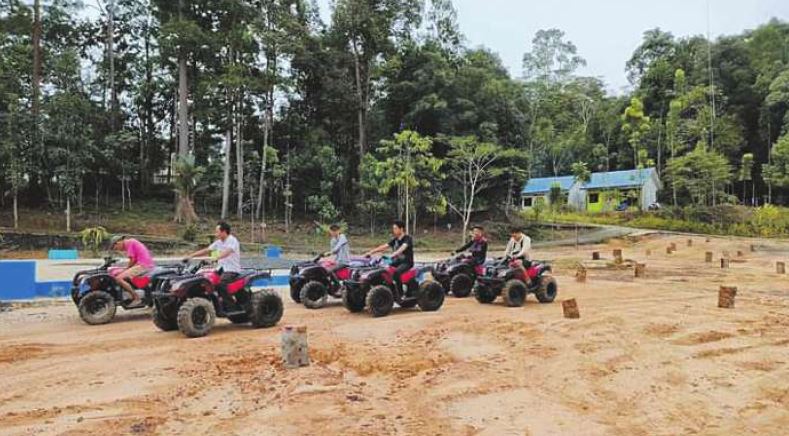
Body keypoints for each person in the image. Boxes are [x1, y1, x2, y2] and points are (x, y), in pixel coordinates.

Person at [184, 221, 242, 310]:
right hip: (220, 268)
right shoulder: (218, 242)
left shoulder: (232, 240)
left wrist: (216, 257)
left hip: (231, 270)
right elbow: (207, 250)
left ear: (224, 232)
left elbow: (227, 252)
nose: (216, 234)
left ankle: (232, 306)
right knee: (206, 280)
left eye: (217, 232)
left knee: (221, 284)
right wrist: (191, 255)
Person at [364, 220, 414, 292]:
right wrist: (371, 252)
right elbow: (384, 246)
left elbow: (403, 247)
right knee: (381, 267)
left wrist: (393, 254)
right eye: (393, 228)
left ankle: (400, 293)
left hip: (406, 262)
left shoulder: (408, 238)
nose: (394, 230)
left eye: (395, 228)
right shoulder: (395, 239)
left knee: (396, 272)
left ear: (401, 229)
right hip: (396, 261)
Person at [110, 235, 155, 307]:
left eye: (116, 248)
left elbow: (132, 260)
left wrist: (126, 269)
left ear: (118, 243)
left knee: (118, 278)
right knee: (123, 273)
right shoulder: (131, 242)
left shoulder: (130, 243)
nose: (119, 250)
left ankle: (136, 297)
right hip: (143, 264)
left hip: (143, 265)